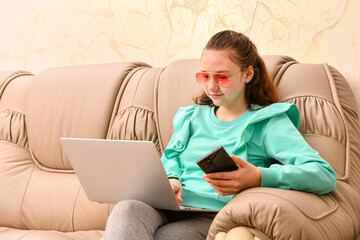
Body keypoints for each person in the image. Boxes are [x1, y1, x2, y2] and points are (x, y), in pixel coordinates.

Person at [101, 30, 336, 240]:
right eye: (205, 76)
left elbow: (323, 175)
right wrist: (171, 180)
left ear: (247, 74)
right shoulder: (191, 117)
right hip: (167, 206)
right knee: (127, 208)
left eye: (222, 77)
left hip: (211, 216)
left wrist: (259, 177)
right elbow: (169, 160)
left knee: (165, 237)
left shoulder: (268, 122)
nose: (211, 87)